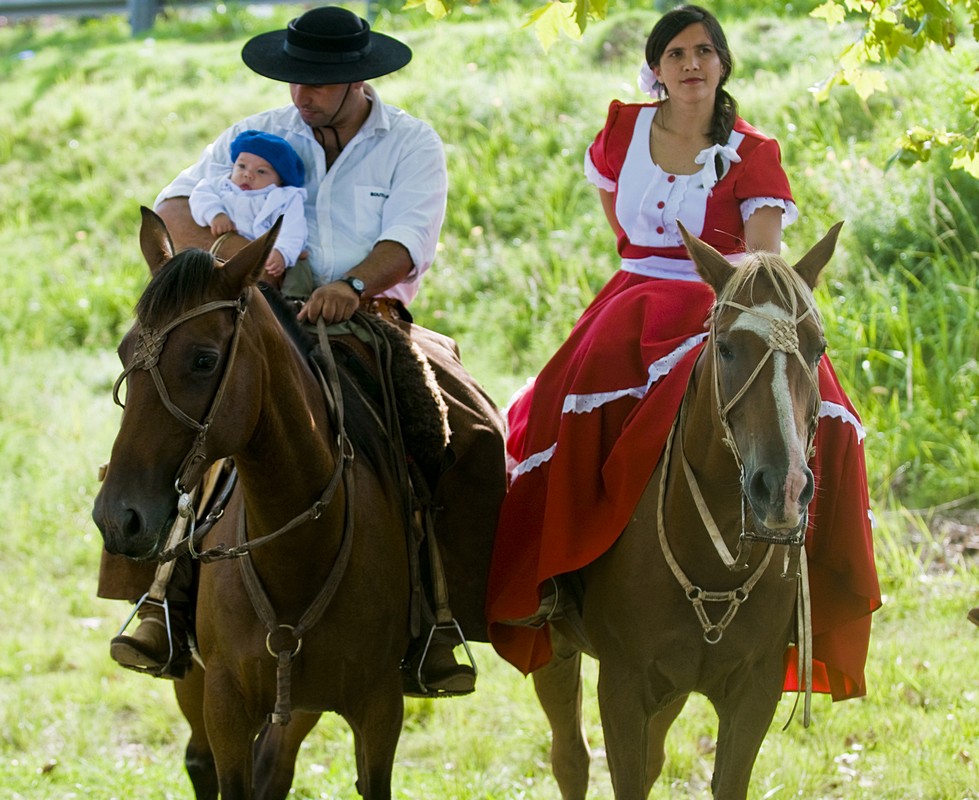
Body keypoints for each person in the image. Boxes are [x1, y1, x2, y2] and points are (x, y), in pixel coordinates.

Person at [100, 5, 506, 697]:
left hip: (367, 320)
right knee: (165, 416)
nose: (300, 94)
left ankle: (440, 615)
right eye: (294, 80)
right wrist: (223, 261)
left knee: (472, 434)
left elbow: (407, 241)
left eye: (316, 82)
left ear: (358, 80)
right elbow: (173, 209)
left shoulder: (410, 142)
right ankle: (160, 602)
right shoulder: (256, 135)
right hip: (257, 319)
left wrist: (350, 284)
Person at [485, 5, 882, 702]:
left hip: (724, 302)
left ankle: (808, 584)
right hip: (633, 299)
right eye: (675, 53)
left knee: (829, 415)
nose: (690, 63)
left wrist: (732, 311)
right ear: (657, 69)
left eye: (704, 50)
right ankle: (554, 581)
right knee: (555, 404)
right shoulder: (621, 132)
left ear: (723, 63)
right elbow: (623, 227)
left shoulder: (753, 151)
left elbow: (762, 258)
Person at [188, 129, 308, 283]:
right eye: (242, 166)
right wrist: (215, 214)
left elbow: (293, 229)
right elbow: (200, 195)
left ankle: (295, 299)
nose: (248, 174)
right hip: (225, 251)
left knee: (296, 278)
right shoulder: (222, 184)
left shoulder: (284, 198)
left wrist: (282, 252)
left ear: (280, 180)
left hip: (269, 255)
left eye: (261, 171)